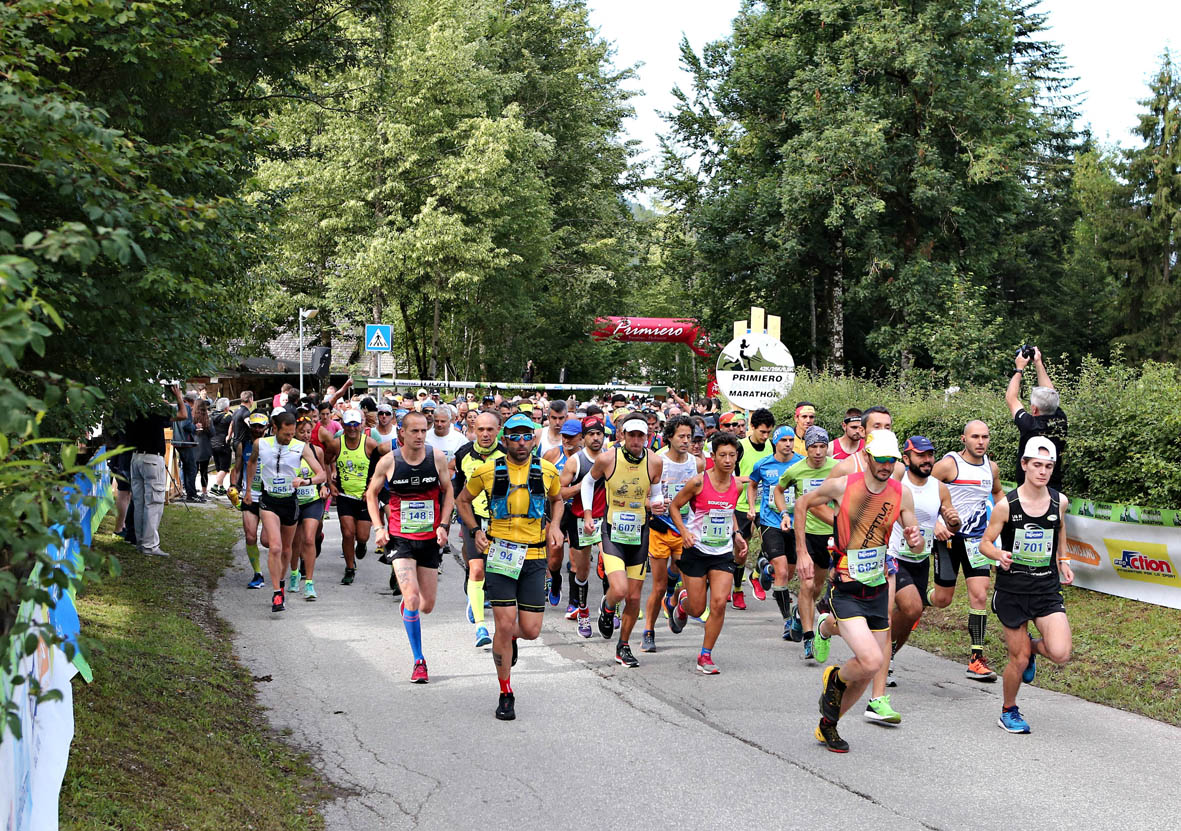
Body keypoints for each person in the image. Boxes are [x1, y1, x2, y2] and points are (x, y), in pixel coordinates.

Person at [796, 431, 925, 752]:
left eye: (891, 460)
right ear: (867, 457)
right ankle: (836, 678)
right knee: (870, 660)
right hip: (846, 586)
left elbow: (915, 534)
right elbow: (803, 503)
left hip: (878, 586)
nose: (885, 466)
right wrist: (801, 552)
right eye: (880, 459)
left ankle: (829, 725)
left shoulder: (901, 493)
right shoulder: (844, 485)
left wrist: (915, 538)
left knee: (868, 671)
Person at [455, 413, 564, 721]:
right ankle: (505, 692)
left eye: (526, 436)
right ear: (505, 440)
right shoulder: (487, 471)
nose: (520, 442)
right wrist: (476, 529)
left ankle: (510, 639)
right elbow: (463, 501)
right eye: (514, 436)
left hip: (533, 557)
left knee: (530, 630)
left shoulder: (547, 471)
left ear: (533, 438)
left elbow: (558, 500)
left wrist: (555, 525)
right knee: (502, 625)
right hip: (501, 556)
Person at [979, 437, 1073, 733]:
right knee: (1017, 659)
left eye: (1048, 466)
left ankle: (1032, 648)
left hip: (1045, 590)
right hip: (1012, 592)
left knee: (1060, 653)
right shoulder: (1006, 505)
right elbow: (984, 544)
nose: (1043, 472)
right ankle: (1009, 709)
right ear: (1024, 465)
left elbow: (1061, 535)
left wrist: (1064, 561)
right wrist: (999, 554)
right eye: (1037, 465)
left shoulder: (1060, 502)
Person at [864, 436, 960, 724]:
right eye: (920, 455)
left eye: (930, 455)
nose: (927, 460)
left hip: (921, 558)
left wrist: (952, 520)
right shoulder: (898, 483)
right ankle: (880, 668)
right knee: (912, 608)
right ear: (906, 459)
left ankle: (886, 653)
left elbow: (950, 518)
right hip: (894, 556)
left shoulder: (939, 488)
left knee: (908, 612)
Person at [370, 411, 454, 683]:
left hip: (429, 539)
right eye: (414, 431)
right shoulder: (388, 461)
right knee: (413, 597)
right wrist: (379, 528)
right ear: (402, 434)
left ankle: (409, 609)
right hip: (400, 538)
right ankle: (419, 660)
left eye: (423, 431)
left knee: (426, 605)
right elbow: (370, 494)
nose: (420, 436)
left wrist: (443, 525)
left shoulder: (436, 458)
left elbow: (449, 492)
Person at [580, 413, 664, 668]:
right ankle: (607, 605)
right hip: (613, 531)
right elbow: (587, 481)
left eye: (641, 436)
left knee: (635, 598)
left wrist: (658, 505)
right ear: (622, 436)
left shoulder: (655, 462)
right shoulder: (607, 459)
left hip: (639, 532)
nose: (637, 440)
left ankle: (623, 646)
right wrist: (587, 514)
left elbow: (656, 493)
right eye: (632, 435)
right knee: (619, 589)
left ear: (647, 437)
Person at [665, 431, 748, 673]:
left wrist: (737, 534)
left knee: (720, 603)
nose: (728, 460)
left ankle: (705, 655)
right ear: (713, 456)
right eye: (722, 455)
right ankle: (681, 604)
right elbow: (674, 506)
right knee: (698, 608)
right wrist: (684, 532)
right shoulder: (698, 482)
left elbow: (728, 511)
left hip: (722, 552)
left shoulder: (738, 486)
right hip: (696, 549)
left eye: (732, 455)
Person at [929, 420, 1005, 681]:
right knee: (943, 600)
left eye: (985, 436)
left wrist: (1011, 515)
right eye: (975, 437)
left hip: (976, 540)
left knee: (979, 595)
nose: (981, 442)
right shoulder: (949, 464)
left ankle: (976, 657)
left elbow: (998, 493)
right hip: (947, 538)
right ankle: (919, 598)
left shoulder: (991, 468)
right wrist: (936, 522)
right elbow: (922, 489)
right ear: (964, 439)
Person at [243, 410, 326, 613]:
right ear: (275, 428)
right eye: (286, 434)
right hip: (269, 500)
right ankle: (277, 592)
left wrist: (306, 481)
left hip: (290, 501)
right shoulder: (260, 444)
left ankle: (281, 579)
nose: (290, 438)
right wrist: (248, 489)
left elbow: (322, 474)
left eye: (291, 434)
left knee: (288, 549)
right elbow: (252, 462)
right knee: (275, 547)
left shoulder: (300, 447)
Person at [773, 427, 838, 655]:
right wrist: (784, 513)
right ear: (807, 448)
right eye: (813, 447)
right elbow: (778, 491)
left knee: (817, 588)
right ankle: (809, 637)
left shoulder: (837, 468)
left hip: (830, 534)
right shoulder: (796, 470)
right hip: (806, 534)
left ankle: (798, 614)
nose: (818, 452)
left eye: (822, 447)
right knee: (807, 584)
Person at [642, 415, 703, 652]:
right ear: (669, 437)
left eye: (689, 437)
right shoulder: (657, 461)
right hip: (659, 528)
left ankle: (674, 600)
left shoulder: (696, 463)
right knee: (657, 586)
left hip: (684, 530)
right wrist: (651, 505)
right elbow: (642, 497)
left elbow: (700, 496)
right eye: (682, 436)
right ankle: (648, 631)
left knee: (688, 584)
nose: (687, 441)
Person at [452, 411, 505, 648]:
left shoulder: (507, 454)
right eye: (480, 429)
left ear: (498, 430)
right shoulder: (463, 453)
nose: (484, 434)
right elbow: (458, 487)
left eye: (490, 430)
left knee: (494, 571)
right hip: (472, 516)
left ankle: (478, 596)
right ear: (473, 429)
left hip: (499, 519)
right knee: (477, 569)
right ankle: (481, 627)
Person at [320, 409, 391, 585]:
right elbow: (325, 462)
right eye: (349, 424)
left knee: (362, 536)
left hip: (365, 497)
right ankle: (350, 568)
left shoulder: (370, 444)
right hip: (345, 495)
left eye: (356, 424)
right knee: (347, 533)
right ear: (343, 425)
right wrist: (330, 483)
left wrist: (371, 488)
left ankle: (361, 544)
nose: (352, 428)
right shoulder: (337, 444)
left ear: (362, 425)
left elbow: (380, 468)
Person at [746, 426, 802, 638]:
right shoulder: (763, 464)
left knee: (789, 572)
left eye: (791, 440)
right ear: (775, 443)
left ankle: (765, 570)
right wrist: (752, 507)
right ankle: (787, 620)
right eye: (783, 440)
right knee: (782, 571)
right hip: (770, 522)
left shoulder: (801, 463)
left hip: (796, 523)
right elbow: (752, 485)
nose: (788, 444)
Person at [557, 416, 607, 637]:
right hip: (580, 520)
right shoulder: (576, 461)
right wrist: (584, 484)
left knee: (611, 568)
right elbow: (559, 492)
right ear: (583, 438)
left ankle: (610, 609)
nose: (595, 438)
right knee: (582, 570)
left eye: (599, 433)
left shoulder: (611, 457)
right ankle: (583, 611)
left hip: (606, 520)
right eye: (591, 434)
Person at [126, 384, 189, 557]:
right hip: (152, 459)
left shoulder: (134, 410)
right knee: (153, 504)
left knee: (139, 503)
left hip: (136, 457)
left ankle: (140, 542)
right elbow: (183, 415)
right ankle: (150, 545)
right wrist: (178, 397)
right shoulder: (156, 411)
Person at [1005, 347, 1067, 490]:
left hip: (1027, 488)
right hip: (1054, 488)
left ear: (1034, 409)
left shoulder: (1029, 424)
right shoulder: (1060, 421)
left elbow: (1011, 398)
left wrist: (1019, 368)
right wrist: (1038, 362)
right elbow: (1050, 394)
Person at [732, 407, 774, 608]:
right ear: (752, 428)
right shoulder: (739, 447)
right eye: (762, 432)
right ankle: (737, 591)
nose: (766, 436)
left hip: (765, 504)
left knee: (771, 544)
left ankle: (756, 575)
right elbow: (727, 476)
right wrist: (750, 479)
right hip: (740, 505)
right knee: (741, 551)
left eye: (769, 432)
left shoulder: (771, 447)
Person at [542, 418, 583, 605]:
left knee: (576, 559)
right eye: (564, 436)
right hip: (555, 509)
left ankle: (574, 602)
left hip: (578, 511)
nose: (566, 440)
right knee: (555, 555)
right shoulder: (552, 454)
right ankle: (555, 579)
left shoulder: (587, 457)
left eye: (571, 437)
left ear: (581, 437)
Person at [290, 415, 330, 601]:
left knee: (308, 539)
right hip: (293, 501)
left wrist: (323, 486)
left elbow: (322, 473)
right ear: (294, 432)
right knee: (294, 542)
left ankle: (309, 583)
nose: (306, 435)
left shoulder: (317, 451)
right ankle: (294, 573)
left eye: (308, 432)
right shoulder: (288, 451)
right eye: (302, 432)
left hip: (312, 500)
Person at [233, 412, 270, 587]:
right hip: (250, 496)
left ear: (266, 428)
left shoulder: (273, 445)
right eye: (254, 426)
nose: (256, 429)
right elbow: (238, 468)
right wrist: (234, 485)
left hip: (270, 498)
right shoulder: (243, 445)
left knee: (267, 541)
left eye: (260, 426)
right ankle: (258, 574)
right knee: (249, 537)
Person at [426, 404, 465, 472]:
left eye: (443, 421)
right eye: (436, 421)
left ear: (449, 422)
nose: (439, 424)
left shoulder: (460, 439)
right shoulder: (425, 437)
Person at [209, 398, 234, 496]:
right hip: (223, 443)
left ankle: (221, 487)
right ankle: (215, 486)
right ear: (226, 408)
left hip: (212, 443)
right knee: (225, 467)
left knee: (219, 467)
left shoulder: (212, 416)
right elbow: (232, 427)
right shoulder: (228, 417)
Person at [194, 397, 214, 499]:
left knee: (193, 470)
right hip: (205, 447)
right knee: (204, 471)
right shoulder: (208, 419)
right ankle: (204, 491)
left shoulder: (192, 418)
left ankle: (191, 490)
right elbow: (212, 433)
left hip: (193, 447)